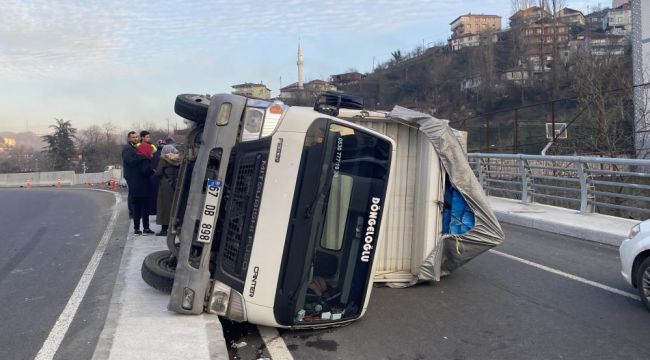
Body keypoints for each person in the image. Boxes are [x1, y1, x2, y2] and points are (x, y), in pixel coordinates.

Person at [154, 144, 181, 236]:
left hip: (165, 184)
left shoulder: (164, 158)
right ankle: (175, 227)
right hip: (176, 184)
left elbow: (158, 172)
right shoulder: (179, 158)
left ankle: (164, 229)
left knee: (164, 206)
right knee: (174, 206)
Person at [121, 131, 139, 218]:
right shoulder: (127, 148)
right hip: (131, 175)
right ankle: (132, 213)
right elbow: (130, 161)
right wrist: (140, 159)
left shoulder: (135, 147)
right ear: (129, 138)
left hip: (135, 175)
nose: (135, 138)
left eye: (136, 137)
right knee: (132, 194)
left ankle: (135, 212)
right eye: (133, 137)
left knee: (135, 193)